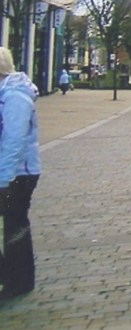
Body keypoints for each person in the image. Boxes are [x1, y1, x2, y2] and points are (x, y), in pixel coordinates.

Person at [0, 47, 41, 298]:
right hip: (11, 172)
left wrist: (4, 179)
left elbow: (13, 140)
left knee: (15, 225)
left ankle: (18, 280)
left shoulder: (15, 97)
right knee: (15, 224)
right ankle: (15, 277)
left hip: (17, 175)